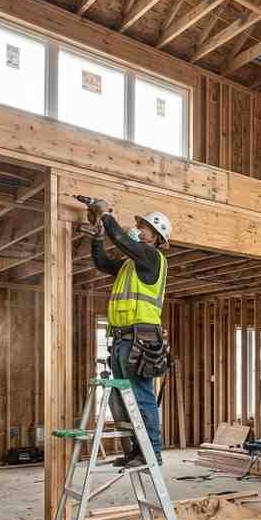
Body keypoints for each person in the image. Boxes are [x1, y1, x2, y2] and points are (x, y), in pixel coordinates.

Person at [85, 199, 171, 467]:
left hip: (141, 338)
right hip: (123, 338)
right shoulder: (131, 264)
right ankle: (137, 449)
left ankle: (152, 451)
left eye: (144, 228)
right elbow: (103, 263)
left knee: (141, 395)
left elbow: (122, 240)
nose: (139, 230)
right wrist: (98, 238)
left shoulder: (152, 256)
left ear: (157, 237)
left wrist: (105, 215)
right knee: (127, 398)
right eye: (140, 226)